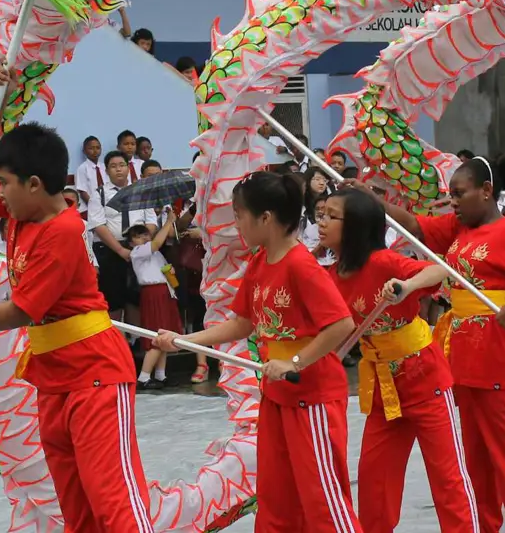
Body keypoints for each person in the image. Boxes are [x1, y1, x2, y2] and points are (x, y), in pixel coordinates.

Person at [0, 63, 151, 531]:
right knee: (75, 504)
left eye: (5, 184)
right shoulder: (22, 211)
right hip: (53, 376)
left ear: (35, 185)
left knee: (113, 502)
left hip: (95, 376)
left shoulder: (62, 230)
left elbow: (22, 310)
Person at [352, 156, 505, 533]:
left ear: (486, 191)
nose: (452, 201)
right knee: (478, 458)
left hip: (503, 354)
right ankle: (485, 525)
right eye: (450, 194)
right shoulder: (458, 228)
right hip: (465, 357)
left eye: (459, 193)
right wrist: (372, 201)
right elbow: (415, 226)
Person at [155, 171, 361, 531]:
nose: (236, 224)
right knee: (275, 497)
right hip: (276, 395)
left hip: (311, 398)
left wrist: (294, 362)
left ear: (266, 218)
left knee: (323, 499)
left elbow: (341, 325)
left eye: (239, 215)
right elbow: (242, 324)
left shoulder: (301, 265)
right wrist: (183, 341)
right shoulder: (258, 263)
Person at [319, 188, 478, 533]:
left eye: (331, 216)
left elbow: (439, 270)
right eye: (321, 215)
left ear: (357, 226)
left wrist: (405, 287)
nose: (321, 224)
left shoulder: (384, 262)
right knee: (374, 482)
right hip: (380, 387)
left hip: (425, 378)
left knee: (447, 477)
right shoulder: (328, 277)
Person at [87, 151, 157, 321]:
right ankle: (117, 340)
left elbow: (151, 222)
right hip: (110, 251)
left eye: (122, 165)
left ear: (128, 167)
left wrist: (141, 243)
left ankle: (135, 341)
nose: (118, 169)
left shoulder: (141, 191)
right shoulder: (99, 194)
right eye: (113, 166)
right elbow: (98, 225)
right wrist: (120, 250)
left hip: (138, 249)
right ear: (107, 171)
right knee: (113, 299)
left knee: (135, 298)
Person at [128, 219, 179, 390]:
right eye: (137, 236)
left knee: (165, 332)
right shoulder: (137, 252)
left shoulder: (156, 254)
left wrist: (171, 272)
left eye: (144, 234)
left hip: (165, 291)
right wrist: (170, 221)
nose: (142, 238)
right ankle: (143, 377)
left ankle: (160, 374)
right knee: (156, 336)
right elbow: (157, 243)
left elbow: (167, 272)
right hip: (152, 293)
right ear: (130, 243)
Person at [74, 135, 106, 215]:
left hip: (106, 206)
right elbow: (82, 191)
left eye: (98, 148)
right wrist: (94, 207)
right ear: (84, 151)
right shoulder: (82, 168)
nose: (95, 151)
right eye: (91, 148)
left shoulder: (105, 167)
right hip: (89, 208)